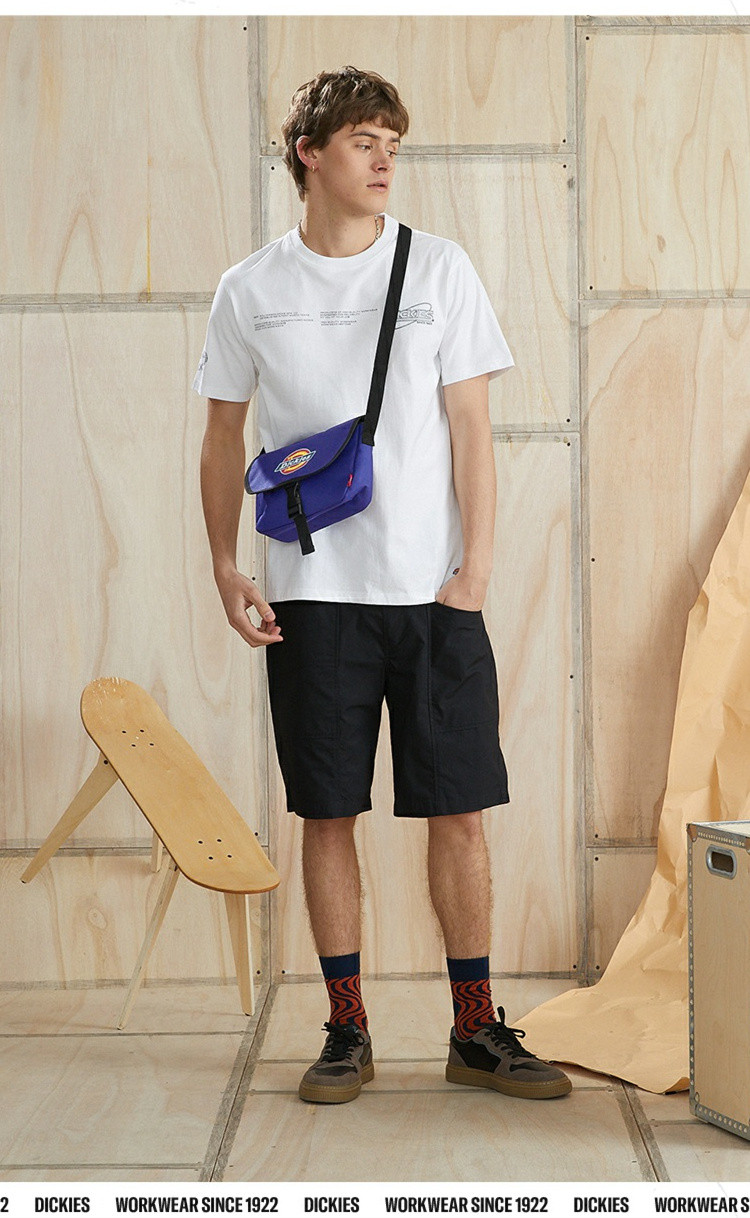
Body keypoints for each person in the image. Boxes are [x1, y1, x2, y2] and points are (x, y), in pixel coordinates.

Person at [194, 65, 571, 1105]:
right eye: (365, 142)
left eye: (392, 145)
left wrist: (476, 570)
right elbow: (222, 436)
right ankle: (346, 1029)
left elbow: (471, 429)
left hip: (435, 597)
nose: (384, 161)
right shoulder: (249, 288)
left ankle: (474, 1029)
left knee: (462, 813)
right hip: (310, 596)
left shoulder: (438, 268)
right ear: (310, 154)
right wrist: (225, 564)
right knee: (327, 814)